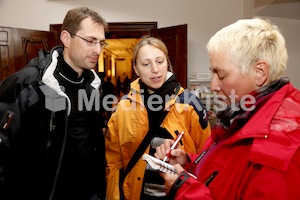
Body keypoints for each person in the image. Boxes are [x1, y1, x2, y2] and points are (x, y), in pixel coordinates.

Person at [155, 18, 300, 199]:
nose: (214, 85)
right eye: (213, 73)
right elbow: (226, 173)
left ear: (260, 72)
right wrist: (189, 164)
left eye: (221, 75)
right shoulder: (244, 114)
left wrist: (183, 189)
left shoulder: (280, 147)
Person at [0, 7, 108, 200]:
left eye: (101, 43)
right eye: (91, 41)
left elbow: (92, 143)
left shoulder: (94, 86)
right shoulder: (26, 85)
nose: (98, 50)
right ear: (66, 38)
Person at [105, 36, 211, 200]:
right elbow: (113, 162)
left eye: (160, 61)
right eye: (146, 64)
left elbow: (206, 158)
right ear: (136, 68)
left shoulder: (190, 105)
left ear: (167, 63)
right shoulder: (123, 108)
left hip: (180, 195)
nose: (155, 69)